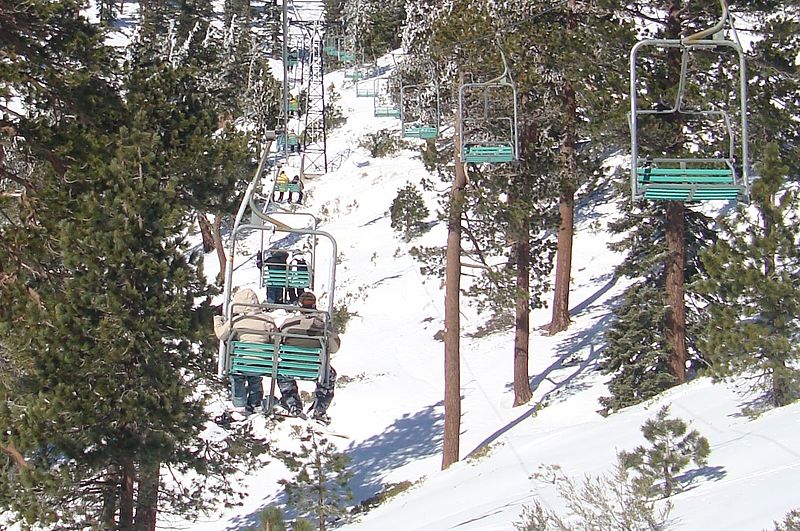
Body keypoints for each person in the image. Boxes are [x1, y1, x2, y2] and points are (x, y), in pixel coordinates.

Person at [277, 291, 341, 423]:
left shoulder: (288, 324)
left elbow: (277, 341)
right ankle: (319, 410)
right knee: (329, 376)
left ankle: (292, 403)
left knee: (280, 371)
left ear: (300, 306)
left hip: (290, 367)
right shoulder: (322, 326)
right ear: (314, 305)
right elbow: (334, 348)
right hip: (314, 368)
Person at [213, 288, 276, 414]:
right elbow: (275, 340)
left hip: (241, 363)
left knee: (237, 376)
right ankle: (255, 402)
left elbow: (221, 335)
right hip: (262, 364)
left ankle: (239, 403)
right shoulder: (268, 320)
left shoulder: (236, 321)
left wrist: (217, 318)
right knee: (255, 377)